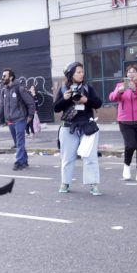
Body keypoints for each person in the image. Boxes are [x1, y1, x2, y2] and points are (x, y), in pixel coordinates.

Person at [54, 62, 103, 195]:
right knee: (67, 157)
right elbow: (56, 108)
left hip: (87, 127)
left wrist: (86, 100)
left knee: (90, 157)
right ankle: (65, 183)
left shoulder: (88, 88)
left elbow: (98, 103)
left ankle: (93, 184)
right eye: (78, 72)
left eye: (82, 71)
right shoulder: (64, 89)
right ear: (71, 75)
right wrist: (65, 99)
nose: (81, 74)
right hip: (68, 127)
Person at [109, 64, 137, 183]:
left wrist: (134, 88)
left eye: (134, 72)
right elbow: (112, 97)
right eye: (129, 72)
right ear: (126, 75)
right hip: (125, 121)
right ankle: (126, 167)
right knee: (130, 145)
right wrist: (119, 91)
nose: (131, 74)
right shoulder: (120, 85)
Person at [0, 68, 36, 170]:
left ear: (11, 77)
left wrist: (30, 116)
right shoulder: (4, 90)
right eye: (2, 76)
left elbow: (31, 103)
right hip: (10, 121)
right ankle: (24, 161)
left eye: (4, 76)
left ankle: (18, 162)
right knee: (17, 142)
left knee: (20, 142)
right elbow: (1, 106)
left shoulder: (19, 88)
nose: (2, 78)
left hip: (20, 119)